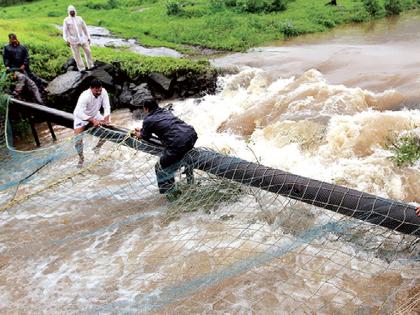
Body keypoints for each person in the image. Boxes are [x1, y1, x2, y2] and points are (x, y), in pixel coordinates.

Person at [133, 99, 197, 196]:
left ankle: (170, 193)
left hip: (178, 143)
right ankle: (187, 181)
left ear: (145, 109)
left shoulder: (148, 120)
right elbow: (165, 125)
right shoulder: (165, 111)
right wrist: (143, 130)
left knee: (160, 167)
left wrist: (139, 134)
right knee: (178, 157)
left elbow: (145, 136)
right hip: (191, 135)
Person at [73, 79, 110, 167]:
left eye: (100, 90)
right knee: (78, 140)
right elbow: (78, 113)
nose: (99, 92)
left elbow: (106, 106)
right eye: (96, 91)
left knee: (109, 129)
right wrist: (93, 121)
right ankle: (81, 158)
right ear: (91, 89)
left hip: (95, 114)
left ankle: (97, 147)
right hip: (81, 117)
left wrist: (106, 119)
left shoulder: (103, 92)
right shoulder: (84, 96)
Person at [63, 5, 93, 72]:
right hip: (73, 40)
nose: (72, 13)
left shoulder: (79, 18)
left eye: (73, 11)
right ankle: (82, 68)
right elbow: (65, 31)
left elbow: (85, 28)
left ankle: (91, 66)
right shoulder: (66, 20)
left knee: (88, 51)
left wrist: (88, 37)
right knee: (77, 55)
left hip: (82, 38)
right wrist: (66, 40)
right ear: (68, 12)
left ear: (75, 11)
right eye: (71, 12)